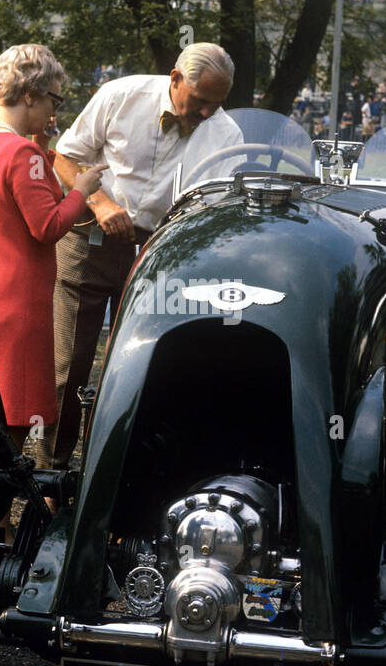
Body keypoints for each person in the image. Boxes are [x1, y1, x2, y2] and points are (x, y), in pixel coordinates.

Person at [35, 43, 240, 471]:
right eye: (200, 101)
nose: (206, 113)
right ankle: (51, 473)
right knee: (66, 368)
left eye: (216, 105)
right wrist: (101, 203)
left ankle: (111, 476)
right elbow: (66, 158)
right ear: (175, 77)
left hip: (161, 255)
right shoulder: (120, 95)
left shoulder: (227, 135)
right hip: (89, 241)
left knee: (140, 367)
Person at [0, 45, 105, 451]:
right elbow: (48, 226)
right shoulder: (22, 153)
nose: (54, 112)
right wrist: (81, 190)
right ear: (29, 96)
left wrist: (41, 147)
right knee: (14, 420)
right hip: (17, 304)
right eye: (53, 100)